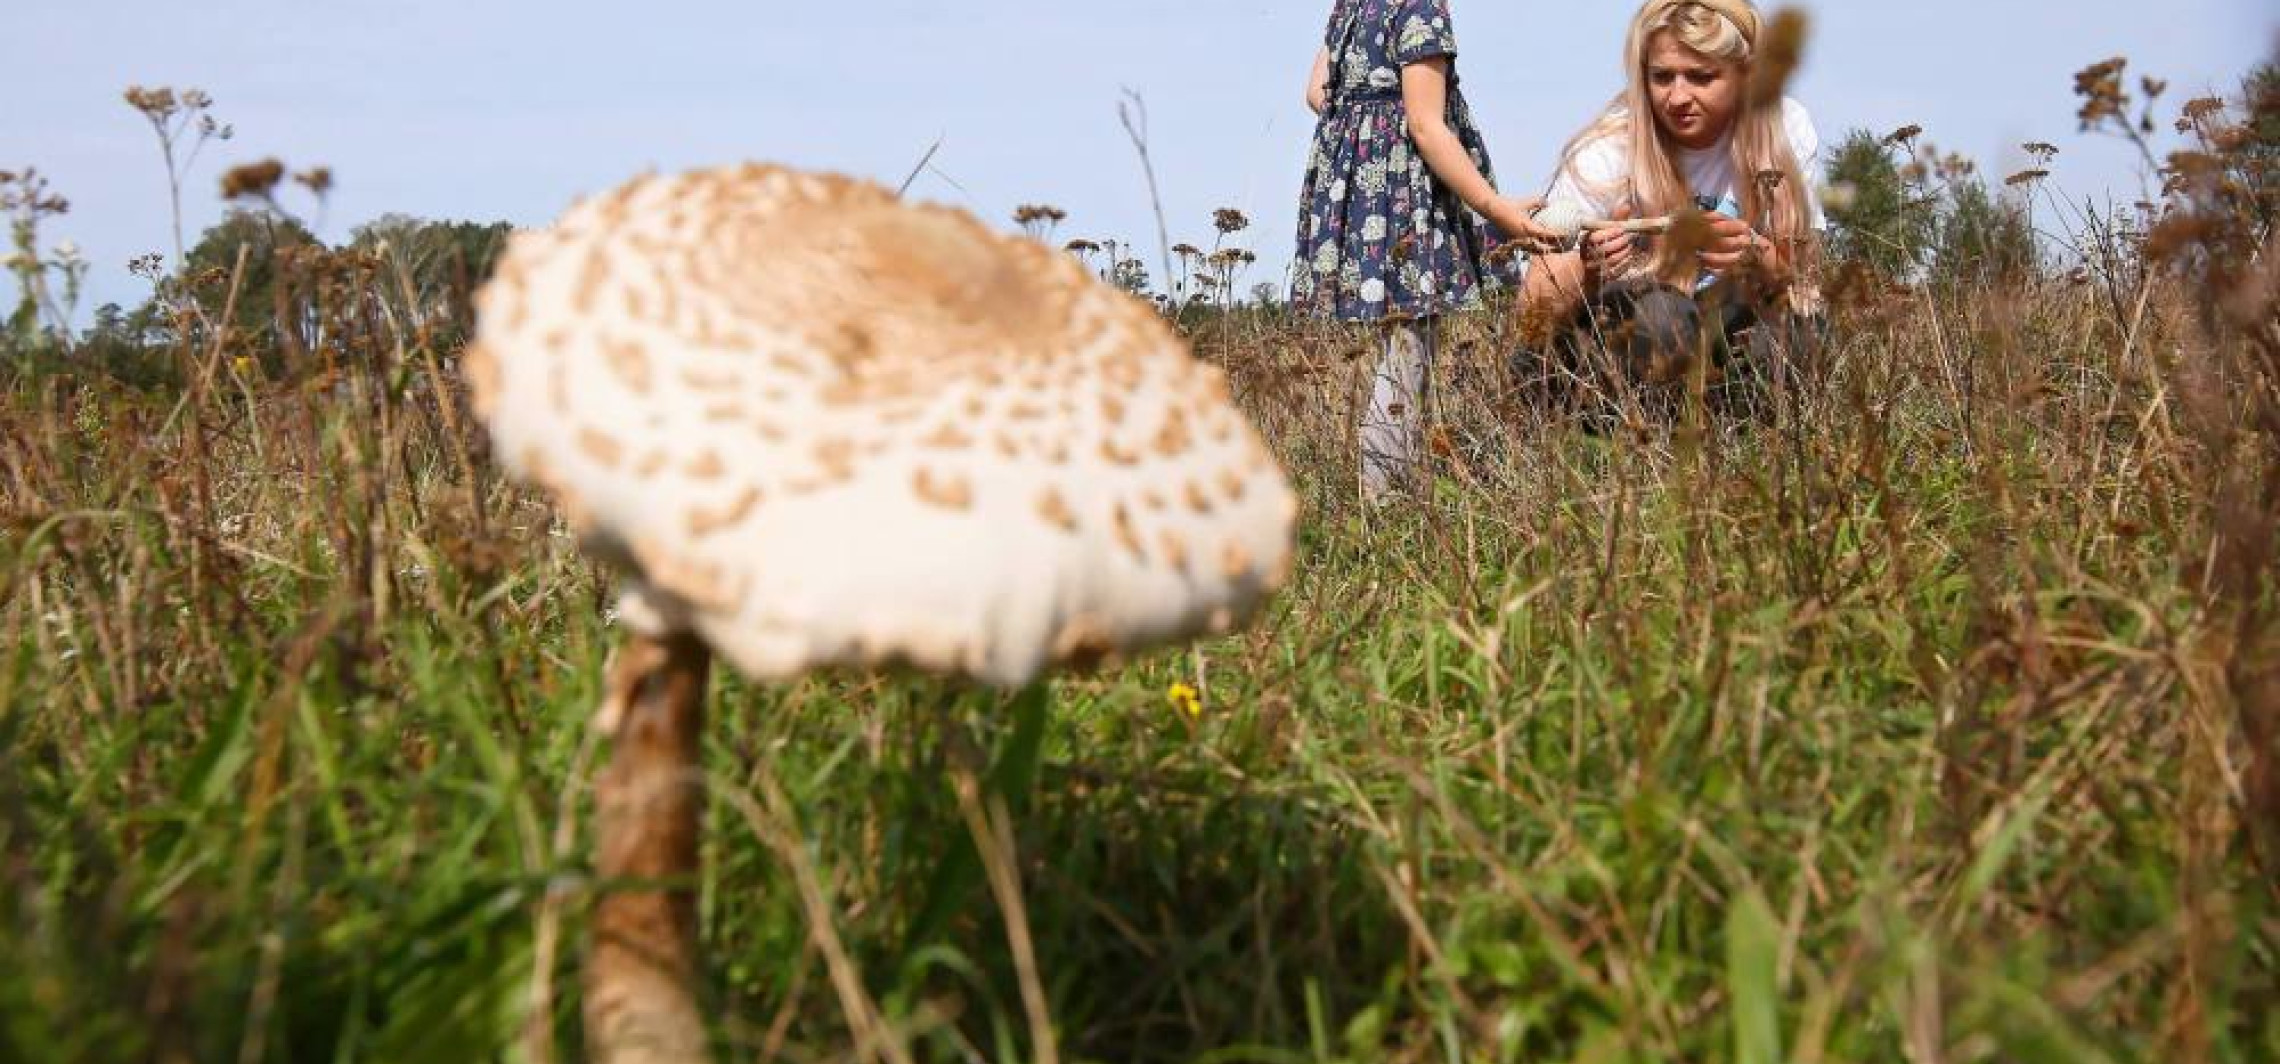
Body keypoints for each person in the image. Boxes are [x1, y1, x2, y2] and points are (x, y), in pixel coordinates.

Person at [1294, 0, 1558, 501]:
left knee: (1403, 344)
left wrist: (1362, 127)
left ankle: (1394, 489)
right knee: (1411, 347)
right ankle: (1387, 502)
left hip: (1359, 191)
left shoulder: (1354, 6)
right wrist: (1494, 207)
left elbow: (1315, 93)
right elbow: (1426, 126)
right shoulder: (1421, 11)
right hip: (1403, 196)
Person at [1513, 0, 1825, 417]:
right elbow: (1529, 313)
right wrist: (1590, 270)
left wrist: (1759, 257)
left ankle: (1750, 454)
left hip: (1726, 336)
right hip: (1615, 359)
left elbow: (1804, 280)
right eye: (1662, 77)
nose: (1678, 97)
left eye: (1701, 77)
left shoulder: (1783, 129)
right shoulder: (1606, 150)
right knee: (1662, 314)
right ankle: (1645, 460)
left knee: (1802, 332)